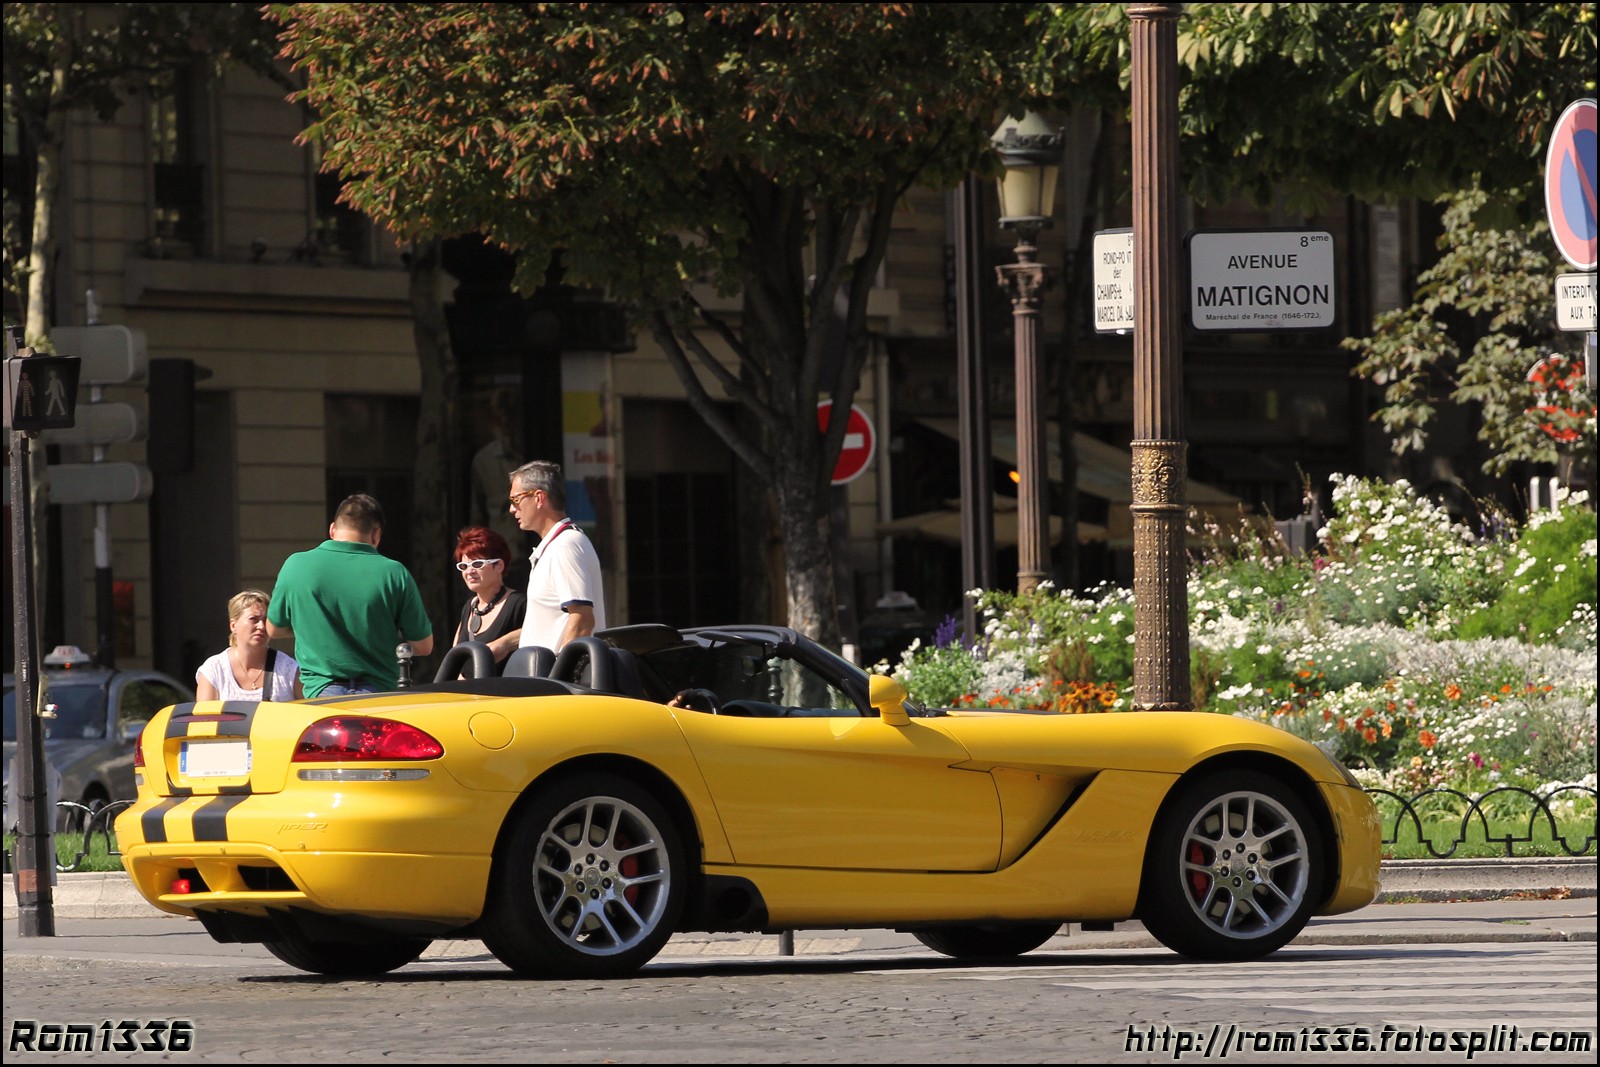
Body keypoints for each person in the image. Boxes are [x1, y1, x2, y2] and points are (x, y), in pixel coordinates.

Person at [267, 493, 434, 697]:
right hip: (379, 693)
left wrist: (314, 630)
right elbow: (424, 645)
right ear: (376, 535)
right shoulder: (394, 573)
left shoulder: (295, 565)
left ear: (332, 529)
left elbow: (274, 629)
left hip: (321, 694)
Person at [510, 460, 606, 651]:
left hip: (564, 679)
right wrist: (502, 645)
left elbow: (582, 620)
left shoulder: (564, 546)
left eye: (516, 500)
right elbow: (551, 624)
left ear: (539, 498)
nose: (512, 509)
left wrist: (559, 674)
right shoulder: (559, 544)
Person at [196, 589, 304, 702]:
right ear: (233, 625)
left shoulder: (288, 669)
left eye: (266, 620)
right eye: (254, 619)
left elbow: (309, 712)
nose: (261, 626)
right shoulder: (214, 670)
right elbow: (205, 718)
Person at [450, 525, 526, 664]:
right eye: (463, 566)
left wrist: (505, 642)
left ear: (499, 566)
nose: (469, 571)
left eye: (477, 564)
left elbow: (541, 632)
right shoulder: (470, 606)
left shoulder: (518, 604)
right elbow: (455, 660)